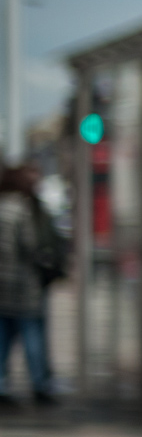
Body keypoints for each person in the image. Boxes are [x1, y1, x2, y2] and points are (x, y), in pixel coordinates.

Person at [0, 164, 60, 405]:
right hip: (22, 284)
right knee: (32, 334)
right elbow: (29, 245)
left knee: (2, 338)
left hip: (1, 284)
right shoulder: (20, 210)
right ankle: (40, 384)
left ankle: (2, 384)